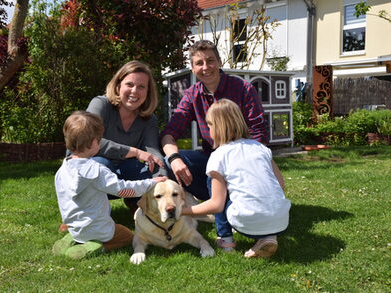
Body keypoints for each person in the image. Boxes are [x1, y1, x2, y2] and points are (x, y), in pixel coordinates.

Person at [160, 40, 268, 201]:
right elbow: (169, 133)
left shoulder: (243, 89)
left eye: (210, 61)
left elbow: (259, 133)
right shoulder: (192, 95)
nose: (205, 67)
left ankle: (230, 197)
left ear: (219, 62)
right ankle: (215, 197)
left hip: (243, 159)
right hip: (212, 158)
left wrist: (244, 164)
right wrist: (175, 160)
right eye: (199, 63)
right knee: (168, 162)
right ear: (193, 68)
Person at [182, 99, 291, 258]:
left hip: (247, 221)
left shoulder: (219, 156)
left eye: (210, 125)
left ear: (218, 127)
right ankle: (268, 237)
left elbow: (216, 205)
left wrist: (182, 211)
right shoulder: (260, 147)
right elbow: (280, 184)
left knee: (213, 181)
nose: (208, 129)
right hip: (281, 219)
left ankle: (225, 240)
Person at [53, 111, 166, 259]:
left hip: (75, 226)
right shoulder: (95, 169)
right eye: (99, 140)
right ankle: (96, 247)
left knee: (81, 232)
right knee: (128, 236)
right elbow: (123, 190)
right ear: (93, 142)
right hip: (99, 230)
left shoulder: (63, 169)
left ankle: (71, 239)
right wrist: (150, 183)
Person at [86, 60, 167, 215]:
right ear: (118, 86)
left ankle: (136, 205)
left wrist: (163, 179)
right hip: (88, 170)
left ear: (148, 92)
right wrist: (135, 152)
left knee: (142, 168)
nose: (134, 91)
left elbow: (153, 152)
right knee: (100, 164)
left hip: (121, 172)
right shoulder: (100, 104)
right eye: (129, 84)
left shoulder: (149, 119)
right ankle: (83, 212)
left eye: (141, 87)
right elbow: (89, 141)